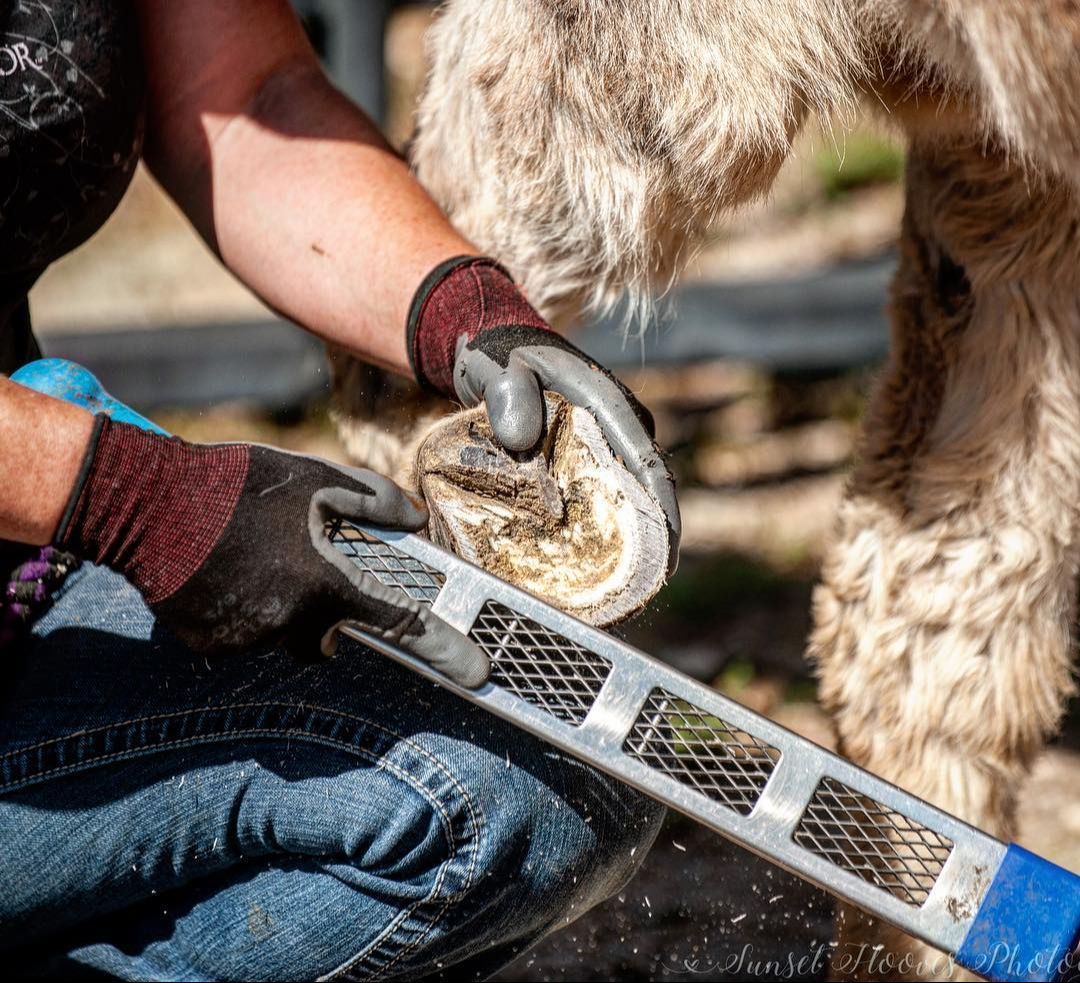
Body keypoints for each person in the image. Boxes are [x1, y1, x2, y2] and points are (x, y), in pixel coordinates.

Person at [0, 1, 681, 979]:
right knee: (464, 800)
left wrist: (463, 310)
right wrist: (141, 501)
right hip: (57, 510)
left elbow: (245, 102)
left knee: (574, 764)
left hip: (24, 572)